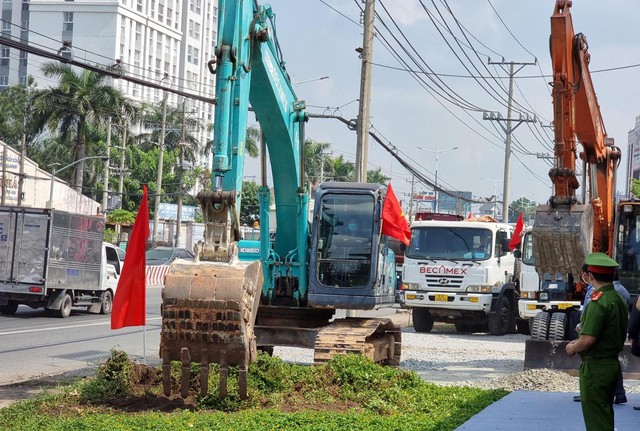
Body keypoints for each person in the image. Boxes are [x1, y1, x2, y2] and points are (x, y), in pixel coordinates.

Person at [566, 252, 629, 431]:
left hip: (595, 367)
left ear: (590, 275)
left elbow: (587, 340)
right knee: (604, 414)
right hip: (610, 364)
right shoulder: (617, 298)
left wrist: (572, 348)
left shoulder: (597, 301)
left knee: (596, 421)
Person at [573, 266, 630, 405]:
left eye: (587, 275)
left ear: (591, 275)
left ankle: (609, 393)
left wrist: (573, 347)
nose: (585, 277)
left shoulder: (605, 296)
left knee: (596, 412)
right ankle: (617, 394)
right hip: (605, 341)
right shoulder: (617, 293)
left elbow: (590, 336)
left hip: (599, 344)